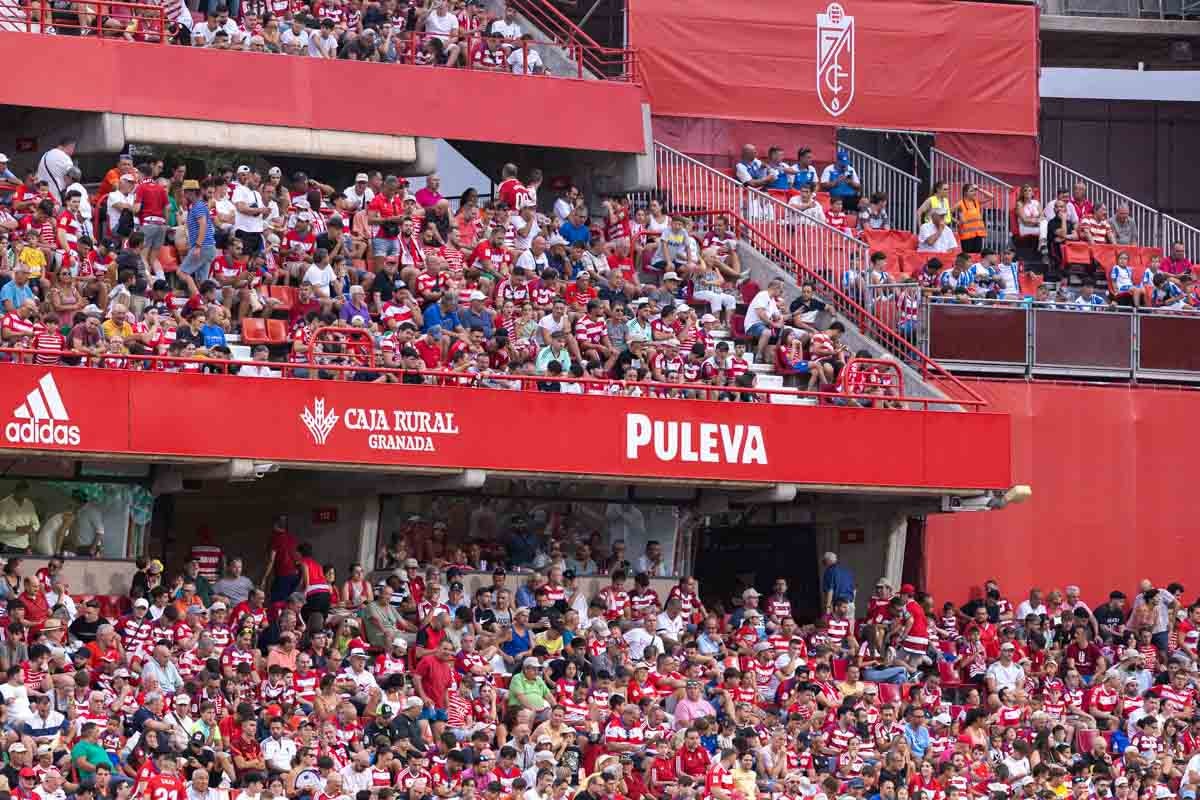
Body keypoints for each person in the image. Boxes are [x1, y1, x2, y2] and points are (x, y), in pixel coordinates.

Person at [821, 551, 855, 618]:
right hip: (850, 604)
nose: (824, 564)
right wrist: (851, 603)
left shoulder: (829, 571)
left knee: (835, 627)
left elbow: (830, 590)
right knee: (849, 626)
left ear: (828, 561)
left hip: (838, 605)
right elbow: (854, 590)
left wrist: (828, 607)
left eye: (824, 562)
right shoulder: (847, 571)